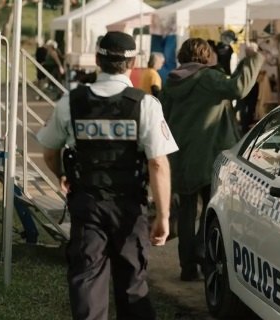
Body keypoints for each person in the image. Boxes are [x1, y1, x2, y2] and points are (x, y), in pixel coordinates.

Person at [36, 31, 177, 320]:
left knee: (87, 281)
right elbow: (158, 164)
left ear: (98, 60)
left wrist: (63, 174)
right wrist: (162, 216)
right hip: (128, 206)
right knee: (132, 284)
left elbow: (49, 152)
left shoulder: (71, 102)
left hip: (87, 204)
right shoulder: (145, 105)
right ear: (133, 62)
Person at [159, 38, 264, 281]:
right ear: (206, 56)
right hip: (209, 156)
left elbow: (162, 115)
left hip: (180, 155)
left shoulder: (171, 81)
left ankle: (187, 266)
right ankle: (204, 256)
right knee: (210, 209)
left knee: (186, 211)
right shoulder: (207, 78)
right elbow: (238, 88)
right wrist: (252, 58)